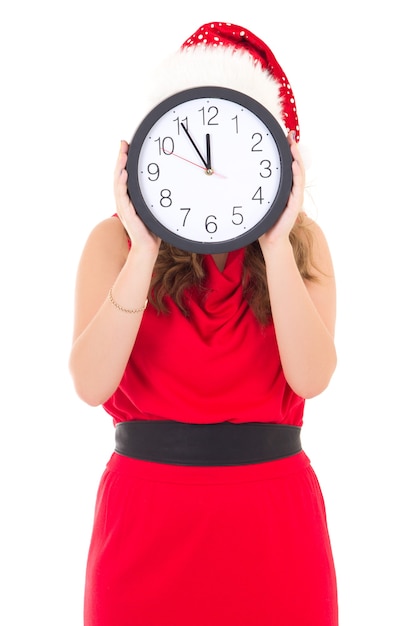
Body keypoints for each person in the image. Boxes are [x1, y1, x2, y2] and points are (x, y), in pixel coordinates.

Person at [69, 22, 338, 626]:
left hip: (273, 527)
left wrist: (273, 244)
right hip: (146, 522)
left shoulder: (301, 245)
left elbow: (312, 377)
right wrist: (142, 248)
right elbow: (90, 385)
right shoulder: (114, 243)